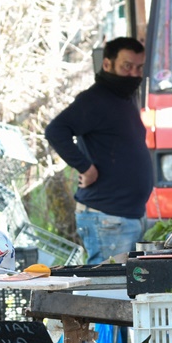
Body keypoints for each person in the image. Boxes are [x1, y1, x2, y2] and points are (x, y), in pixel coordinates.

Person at [44, 37, 152, 263]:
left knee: (122, 291)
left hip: (125, 217)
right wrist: (86, 168)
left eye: (138, 67)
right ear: (107, 65)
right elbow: (55, 130)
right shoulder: (94, 100)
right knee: (106, 292)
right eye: (126, 66)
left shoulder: (124, 97)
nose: (133, 74)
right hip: (107, 219)